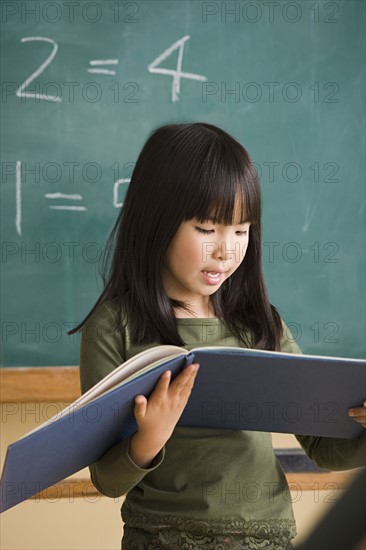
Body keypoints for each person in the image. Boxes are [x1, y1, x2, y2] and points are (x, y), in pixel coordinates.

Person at [69, 123, 366, 549]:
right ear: (157, 222)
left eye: (241, 230)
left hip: (267, 536)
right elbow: (107, 479)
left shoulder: (260, 323)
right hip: (162, 538)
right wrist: (150, 438)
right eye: (207, 229)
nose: (226, 250)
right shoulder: (115, 327)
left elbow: (323, 447)